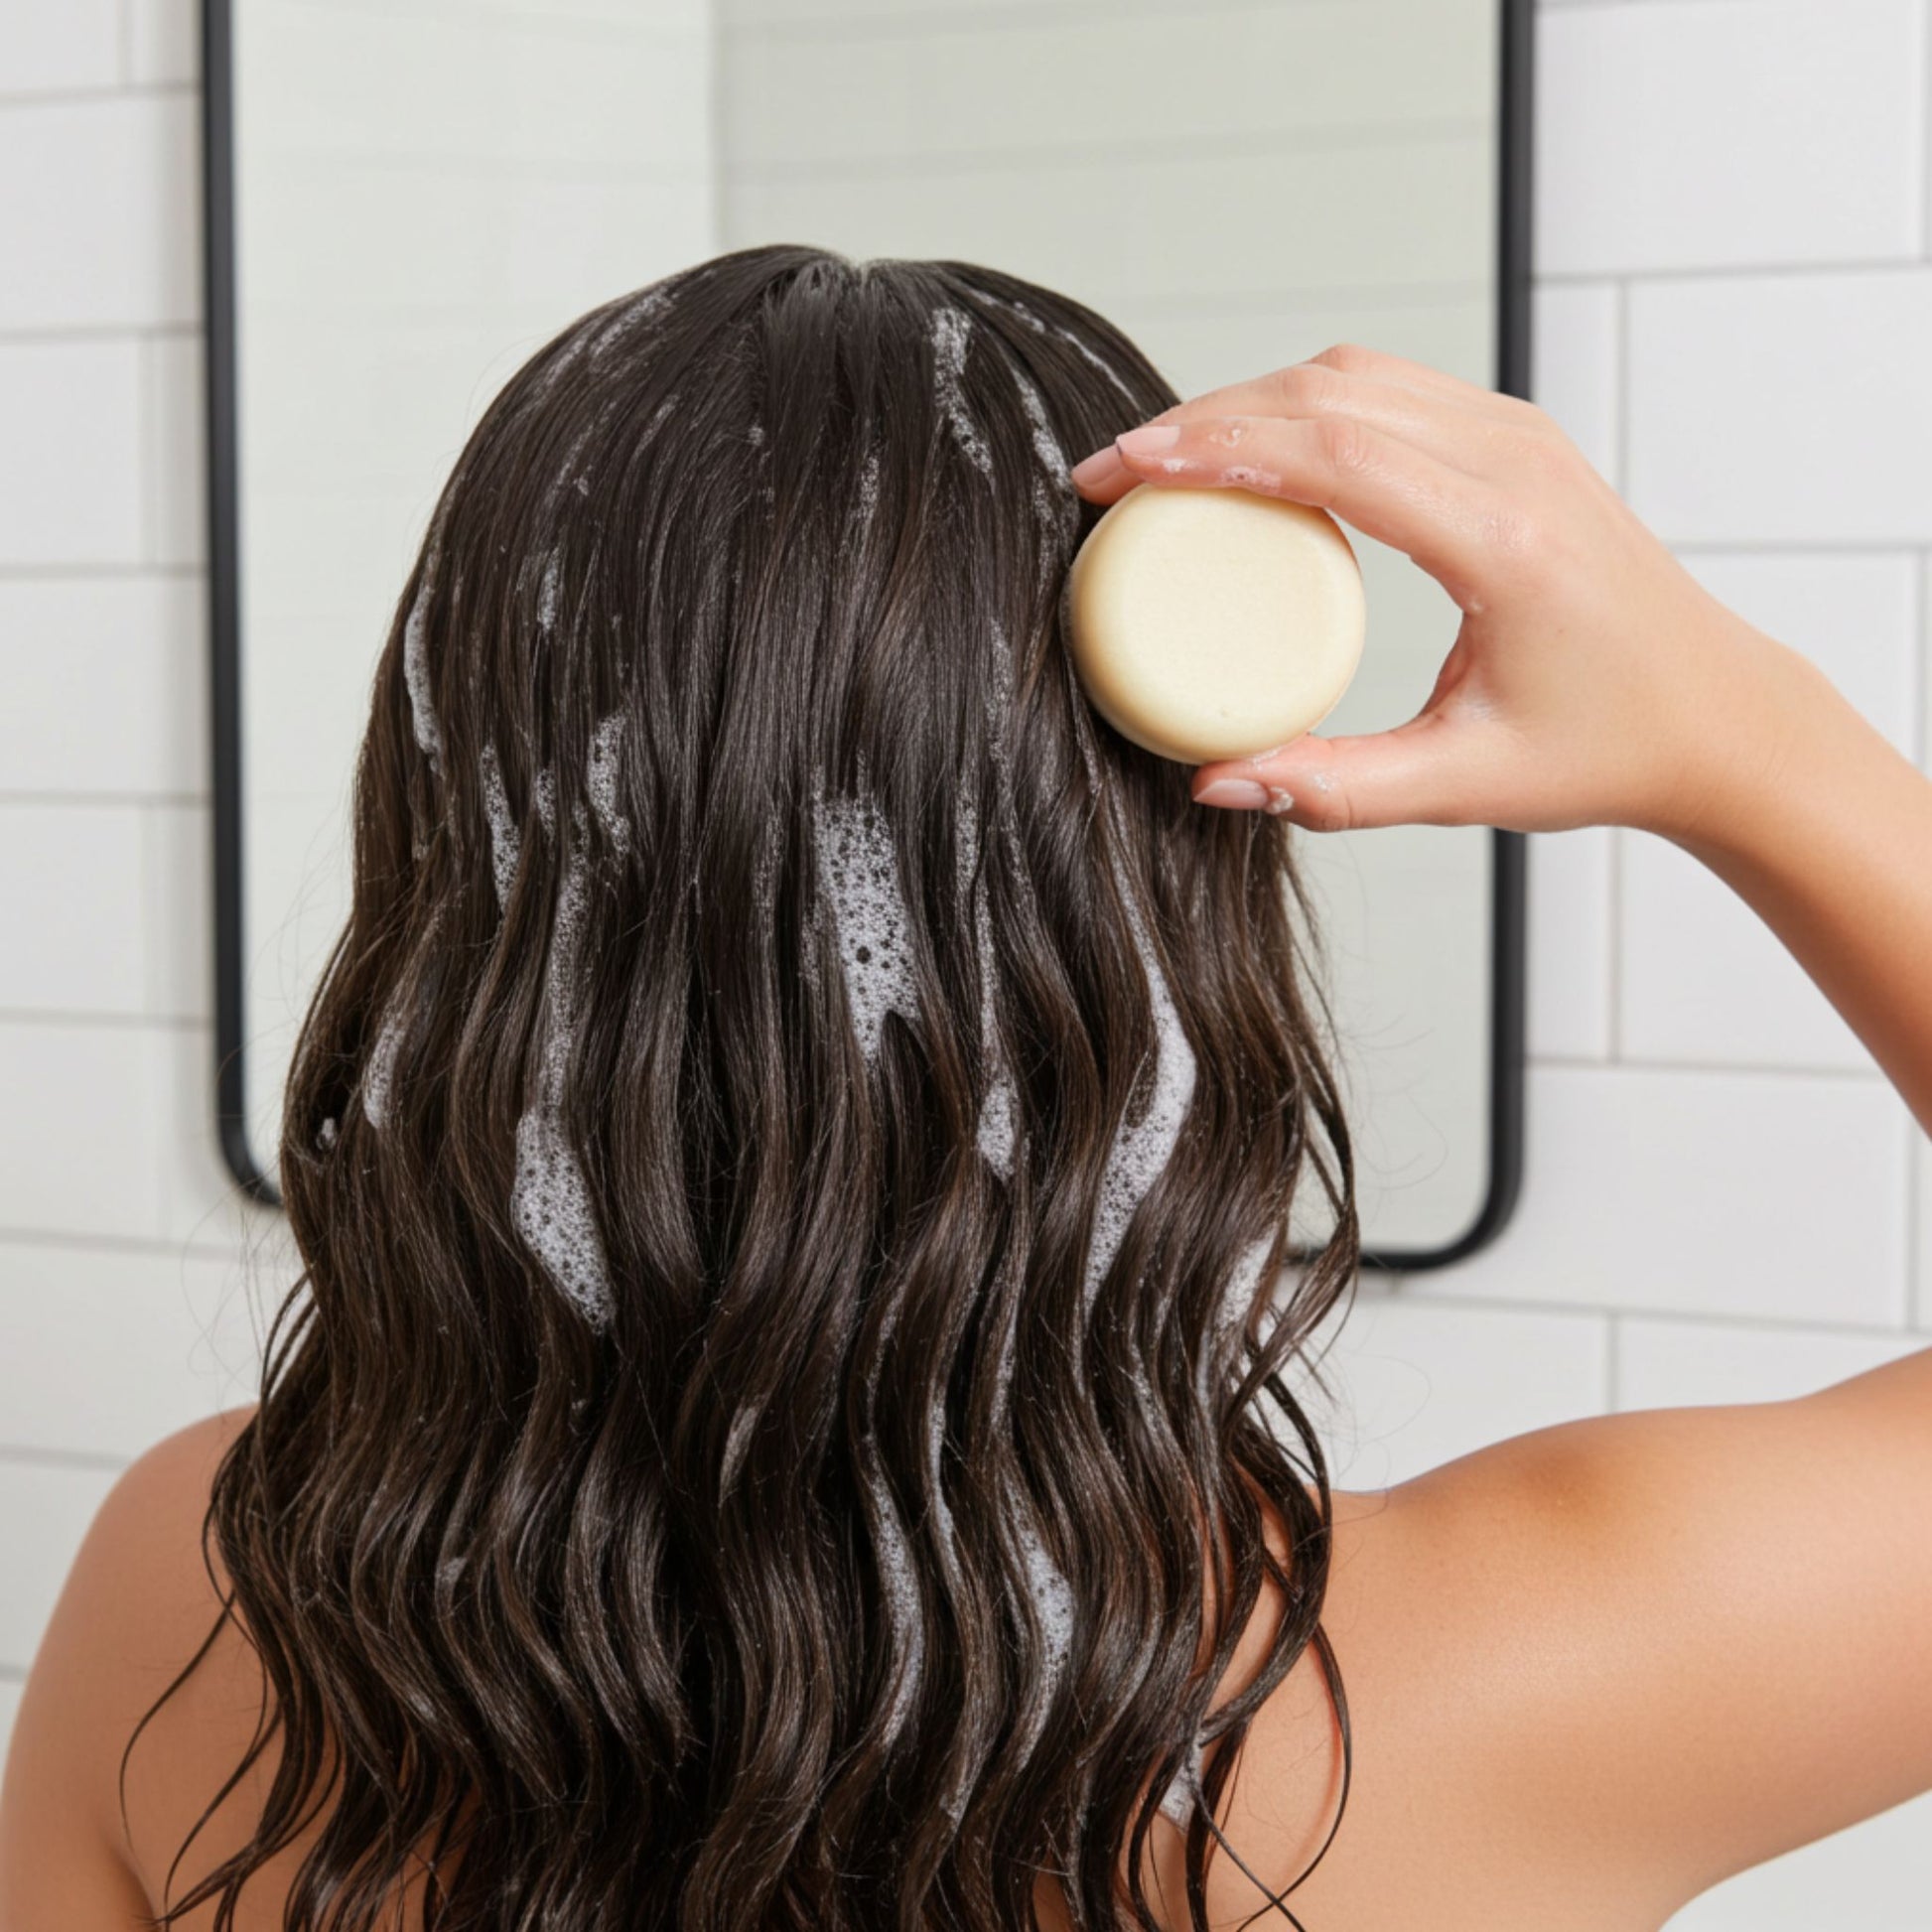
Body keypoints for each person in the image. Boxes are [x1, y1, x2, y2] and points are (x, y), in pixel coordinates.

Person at [0, 244, 1927, 1932]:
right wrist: (1739, 734)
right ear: (1159, 903)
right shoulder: (1515, 1680)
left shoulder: (192, 1604)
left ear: (473, 869)